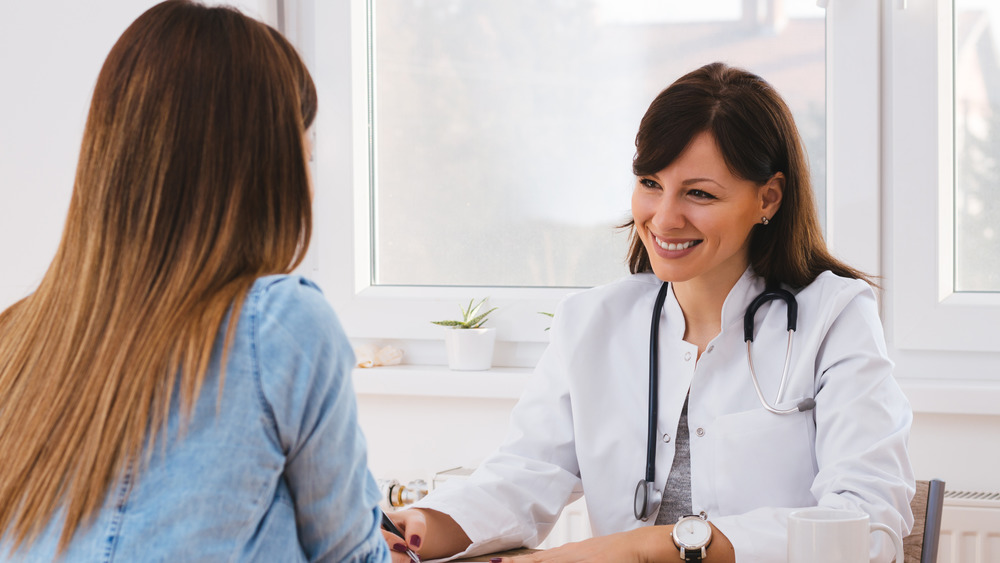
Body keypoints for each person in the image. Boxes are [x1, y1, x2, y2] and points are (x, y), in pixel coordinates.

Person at [383, 62, 915, 563]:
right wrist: (418, 525)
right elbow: (523, 477)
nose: (664, 218)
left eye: (699, 194)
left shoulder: (835, 317)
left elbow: (867, 524)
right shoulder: (591, 321)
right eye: (651, 184)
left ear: (768, 199)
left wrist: (648, 547)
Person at [0, 2, 389, 561]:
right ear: (267, 168)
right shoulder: (279, 324)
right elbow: (349, 556)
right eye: (302, 152)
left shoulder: (19, 336)